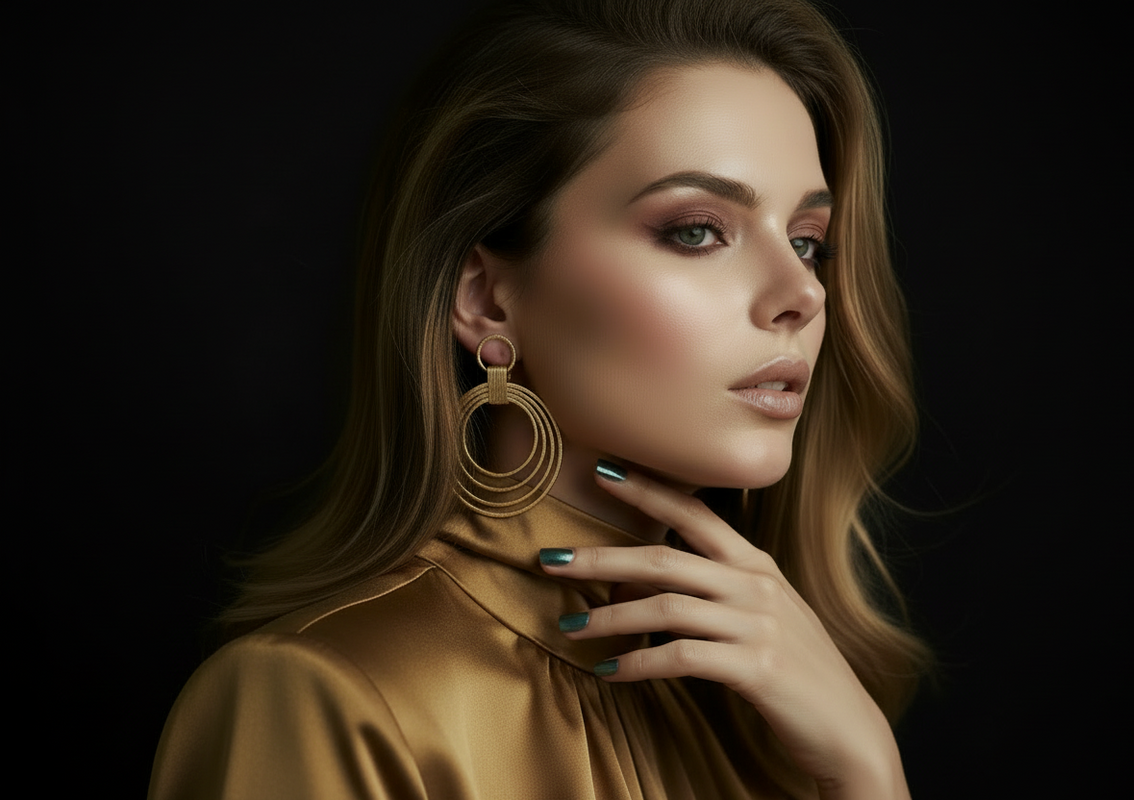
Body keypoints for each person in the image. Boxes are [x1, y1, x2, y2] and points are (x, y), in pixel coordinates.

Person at [149, 0, 930, 797]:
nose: (800, 290)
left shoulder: (776, 718)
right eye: (697, 230)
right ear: (486, 298)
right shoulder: (322, 698)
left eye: (808, 241)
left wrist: (870, 774)